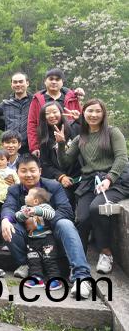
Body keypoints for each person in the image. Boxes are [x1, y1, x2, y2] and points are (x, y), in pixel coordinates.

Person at [1, 154, 93, 299]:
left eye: (32, 170)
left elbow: (66, 211)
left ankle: (81, 276)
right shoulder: (14, 190)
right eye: (23, 171)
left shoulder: (53, 186)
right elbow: (9, 207)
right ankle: (27, 265)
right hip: (29, 236)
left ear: (40, 171)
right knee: (7, 224)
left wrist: (41, 221)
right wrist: (6, 219)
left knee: (65, 223)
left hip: (52, 234)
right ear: (17, 172)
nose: (28, 174)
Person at [57, 99, 129, 275]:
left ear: (103, 114)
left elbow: (122, 158)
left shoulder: (113, 132)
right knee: (82, 218)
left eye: (98, 111)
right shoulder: (80, 138)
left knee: (97, 208)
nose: (94, 115)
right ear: (84, 113)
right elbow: (65, 162)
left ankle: (106, 252)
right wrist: (61, 143)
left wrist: (109, 179)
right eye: (90, 111)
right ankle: (78, 261)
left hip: (115, 180)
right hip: (90, 182)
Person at [15, 187, 62, 290]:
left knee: (49, 259)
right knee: (33, 260)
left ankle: (55, 279)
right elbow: (17, 216)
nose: (25, 196)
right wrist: (24, 214)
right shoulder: (24, 208)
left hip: (47, 239)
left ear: (35, 201)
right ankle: (36, 278)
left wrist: (36, 210)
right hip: (32, 240)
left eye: (28, 195)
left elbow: (51, 214)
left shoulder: (45, 207)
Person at [27, 68, 82, 156]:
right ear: (45, 81)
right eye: (51, 79)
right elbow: (32, 124)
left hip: (71, 142)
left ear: (62, 82)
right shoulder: (37, 100)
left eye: (57, 79)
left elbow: (81, 122)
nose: (54, 82)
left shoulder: (72, 98)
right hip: (46, 142)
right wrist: (34, 147)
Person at [38, 101, 81, 208]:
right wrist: (61, 177)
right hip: (63, 180)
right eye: (47, 114)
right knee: (64, 204)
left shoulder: (75, 127)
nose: (52, 115)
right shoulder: (45, 138)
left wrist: (80, 119)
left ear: (61, 112)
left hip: (82, 177)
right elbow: (46, 164)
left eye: (54, 112)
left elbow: (92, 133)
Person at [0, 73, 32, 154]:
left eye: (21, 82)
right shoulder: (6, 103)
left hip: (30, 147)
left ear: (27, 83)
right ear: (11, 85)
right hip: (11, 146)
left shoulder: (34, 102)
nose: (18, 84)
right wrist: (7, 125)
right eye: (15, 82)